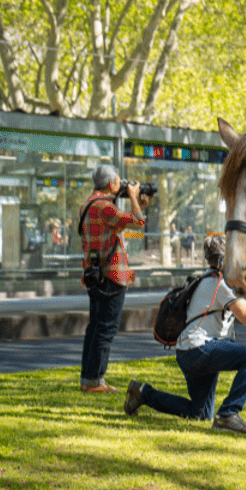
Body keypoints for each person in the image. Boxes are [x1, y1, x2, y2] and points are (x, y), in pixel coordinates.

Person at [123, 235, 246, 435]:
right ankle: (228, 414)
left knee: (200, 413)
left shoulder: (208, 278)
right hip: (201, 349)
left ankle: (143, 393)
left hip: (188, 351)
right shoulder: (221, 284)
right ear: (224, 260)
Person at [78, 165, 151, 393]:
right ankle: (95, 382)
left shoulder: (88, 205)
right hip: (111, 275)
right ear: (112, 185)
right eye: (120, 182)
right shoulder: (104, 207)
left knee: (95, 327)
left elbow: (113, 230)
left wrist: (138, 203)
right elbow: (139, 223)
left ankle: (87, 378)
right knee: (106, 329)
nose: (122, 185)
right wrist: (132, 196)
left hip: (94, 275)